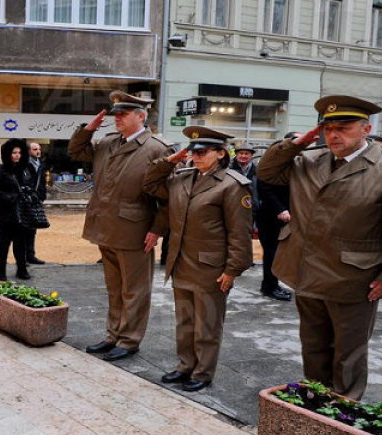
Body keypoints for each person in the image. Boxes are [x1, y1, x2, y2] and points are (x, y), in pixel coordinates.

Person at [257, 95, 382, 400]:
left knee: (348, 354)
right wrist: (298, 143)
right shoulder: (308, 160)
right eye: (328, 129)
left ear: (366, 128)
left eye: (344, 127)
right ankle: (317, 401)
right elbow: (267, 172)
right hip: (307, 270)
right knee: (313, 346)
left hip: (354, 278)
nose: (334, 135)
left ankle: (343, 411)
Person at [144, 126, 253, 391]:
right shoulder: (182, 178)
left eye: (202, 152)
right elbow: (150, 184)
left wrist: (232, 270)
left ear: (220, 154)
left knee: (207, 324)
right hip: (181, 261)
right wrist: (171, 159)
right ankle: (185, 366)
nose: (196, 157)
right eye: (192, 151)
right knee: (185, 320)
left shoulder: (232, 185)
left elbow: (240, 233)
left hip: (211, 267)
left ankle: (202, 372)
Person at [68, 90, 175, 362]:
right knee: (114, 287)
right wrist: (88, 129)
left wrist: (157, 229)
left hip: (135, 229)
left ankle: (129, 340)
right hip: (106, 226)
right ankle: (112, 335)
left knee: (135, 289)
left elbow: (168, 197)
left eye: (123, 113)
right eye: (115, 113)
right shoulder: (107, 142)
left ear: (141, 116)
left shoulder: (157, 149)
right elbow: (77, 151)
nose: (117, 118)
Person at [0, 138, 32, 281]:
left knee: (20, 242)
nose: (17, 155)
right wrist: (8, 197)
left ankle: (22, 269)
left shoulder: (23, 170)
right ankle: (1, 272)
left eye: (19, 152)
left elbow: (28, 187)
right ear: (7, 153)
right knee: (4, 242)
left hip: (21, 213)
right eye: (14, 152)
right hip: (4, 213)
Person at [256, 133, 294, 302]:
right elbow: (264, 187)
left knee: (279, 253)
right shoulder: (272, 164)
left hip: (287, 216)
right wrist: (280, 209)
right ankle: (269, 287)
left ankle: (274, 284)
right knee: (271, 252)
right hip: (271, 216)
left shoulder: (293, 163)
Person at [25, 142, 48, 265]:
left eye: (39, 149)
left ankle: (30, 255)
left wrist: (42, 196)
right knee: (24, 229)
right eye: (34, 149)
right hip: (26, 200)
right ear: (28, 151)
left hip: (36, 200)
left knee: (32, 229)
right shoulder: (24, 164)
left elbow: (42, 182)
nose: (38, 151)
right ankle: (23, 257)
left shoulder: (40, 164)